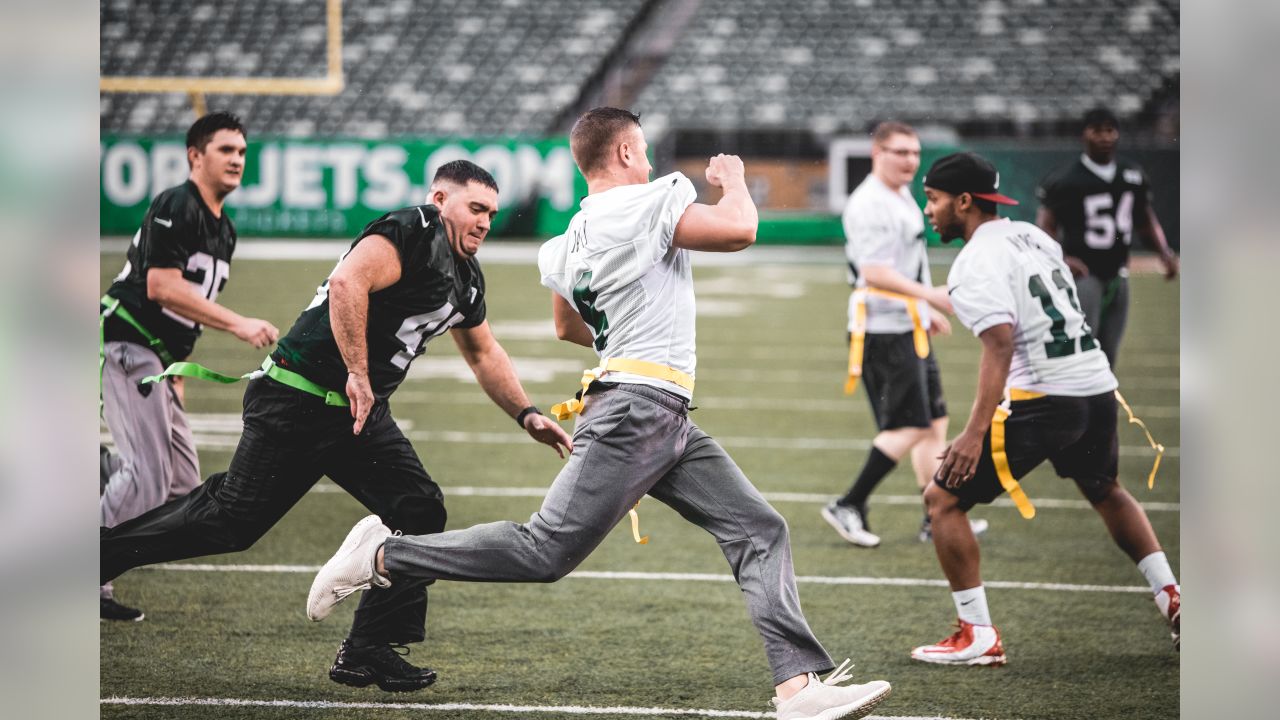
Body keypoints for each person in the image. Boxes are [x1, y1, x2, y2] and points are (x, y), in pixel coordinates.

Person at [307, 108, 892, 720]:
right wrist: (734, 180)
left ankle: (798, 689)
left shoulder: (567, 240)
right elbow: (739, 230)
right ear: (624, 152)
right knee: (543, 552)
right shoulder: (649, 200)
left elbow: (566, 325)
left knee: (758, 529)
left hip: (654, 409)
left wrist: (629, 339)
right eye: (641, 150)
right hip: (637, 410)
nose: (648, 161)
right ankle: (383, 556)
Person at [101, 160, 573, 691]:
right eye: (475, 208)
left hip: (356, 413)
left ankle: (369, 648)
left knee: (418, 508)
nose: (485, 221)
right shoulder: (413, 229)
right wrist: (357, 371)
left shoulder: (467, 277)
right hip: (299, 398)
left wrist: (526, 413)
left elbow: (484, 352)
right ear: (441, 200)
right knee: (231, 522)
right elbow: (350, 281)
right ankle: (100, 553)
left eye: (491, 210)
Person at [909, 152, 1180, 666]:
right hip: (1096, 384)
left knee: (941, 499)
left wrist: (972, 435)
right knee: (1106, 490)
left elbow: (1000, 345)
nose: (930, 210)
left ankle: (978, 635)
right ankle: (1174, 597)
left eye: (936, 199)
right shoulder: (1034, 235)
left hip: (1046, 398)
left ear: (964, 201)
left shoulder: (974, 260)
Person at [99, 111, 279, 621]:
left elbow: (185, 313)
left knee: (181, 481)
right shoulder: (178, 204)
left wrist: (177, 372)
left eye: (242, 152)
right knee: (149, 477)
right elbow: (162, 287)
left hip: (159, 358)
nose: (237, 161)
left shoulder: (224, 228)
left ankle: (99, 470)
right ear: (195, 156)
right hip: (128, 342)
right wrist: (239, 324)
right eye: (226, 150)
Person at [824, 121, 988, 547]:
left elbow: (903, 265)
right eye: (901, 152)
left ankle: (936, 512)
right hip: (882, 328)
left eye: (915, 153)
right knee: (910, 424)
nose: (911, 161)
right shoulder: (869, 204)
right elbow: (874, 273)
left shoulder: (899, 196)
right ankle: (849, 502)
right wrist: (929, 298)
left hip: (905, 322)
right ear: (878, 153)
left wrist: (920, 308)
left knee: (934, 421)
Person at [1035, 107, 1179, 369]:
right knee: (1081, 346)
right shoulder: (1066, 178)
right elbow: (1045, 226)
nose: (1104, 137)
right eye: (1097, 130)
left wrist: (1164, 252)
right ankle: (1076, 406)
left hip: (1117, 272)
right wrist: (1061, 259)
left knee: (1108, 352)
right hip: (1084, 273)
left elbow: (1145, 219)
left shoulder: (1131, 174)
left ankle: (1101, 408)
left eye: (1110, 130)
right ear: (1084, 134)